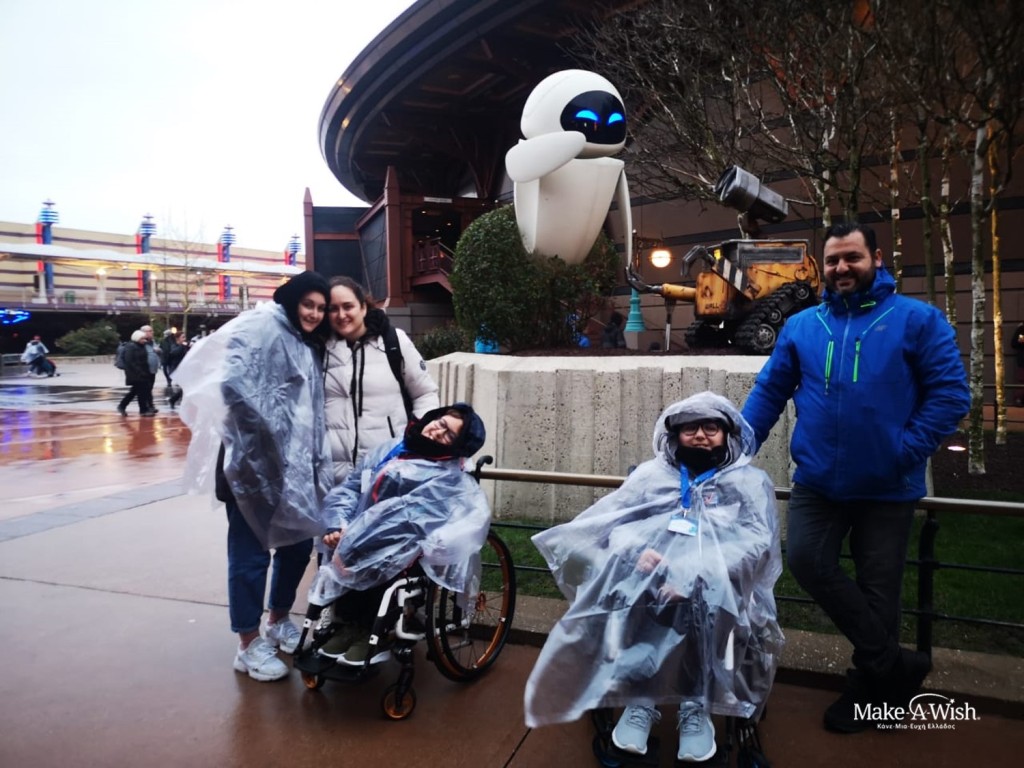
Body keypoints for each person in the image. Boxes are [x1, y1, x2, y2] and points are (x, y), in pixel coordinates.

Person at [740, 220, 970, 734]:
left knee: (878, 590)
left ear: (876, 259)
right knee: (806, 560)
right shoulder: (802, 326)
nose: (842, 267)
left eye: (852, 257)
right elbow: (769, 392)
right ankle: (894, 664)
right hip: (818, 482)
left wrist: (903, 451)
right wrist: (734, 448)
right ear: (822, 267)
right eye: (833, 260)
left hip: (888, 487)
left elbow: (951, 395)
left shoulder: (917, 320)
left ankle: (871, 686)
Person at [524, 392, 782, 764]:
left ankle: (695, 704)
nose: (700, 435)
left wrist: (698, 575)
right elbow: (616, 524)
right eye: (690, 428)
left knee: (709, 604)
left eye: (711, 427)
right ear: (674, 434)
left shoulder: (748, 482)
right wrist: (637, 552)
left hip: (721, 584)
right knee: (630, 594)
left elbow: (758, 542)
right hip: (652, 579)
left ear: (728, 434)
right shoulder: (650, 476)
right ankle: (641, 699)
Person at [173, 271, 334, 682]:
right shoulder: (261, 327)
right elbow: (233, 387)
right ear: (292, 301)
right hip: (251, 468)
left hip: (295, 467)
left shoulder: (303, 340)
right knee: (250, 556)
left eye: (321, 308)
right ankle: (247, 643)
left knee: (298, 546)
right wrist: (268, 437)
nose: (315, 314)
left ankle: (278, 620)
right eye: (308, 304)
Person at [310, 403, 489, 666]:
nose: (438, 431)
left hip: (405, 542)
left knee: (376, 555)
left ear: (458, 445)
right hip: (358, 533)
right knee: (347, 549)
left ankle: (372, 632)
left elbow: (431, 517)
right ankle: (349, 626)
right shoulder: (391, 449)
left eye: (449, 434)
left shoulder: (451, 476)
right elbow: (351, 488)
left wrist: (368, 535)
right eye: (440, 423)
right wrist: (337, 524)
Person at [323, 276, 439, 486]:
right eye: (333, 309)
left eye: (348, 306)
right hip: (333, 477)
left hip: (387, 469)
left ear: (363, 307)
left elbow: (425, 394)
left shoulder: (394, 341)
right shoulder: (320, 349)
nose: (341, 315)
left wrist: (416, 439)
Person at [117, 330, 156, 416]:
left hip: (143, 372)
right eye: (142, 339)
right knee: (140, 391)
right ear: (137, 338)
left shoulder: (141, 346)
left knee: (136, 391)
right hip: (135, 373)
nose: (144, 340)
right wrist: (140, 371)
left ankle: (122, 406)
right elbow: (130, 362)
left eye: (144, 339)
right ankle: (143, 410)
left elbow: (144, 360)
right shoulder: (131, 347)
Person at [1012, 321, 1024, 407]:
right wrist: (1020, 341)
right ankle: (1018, 400)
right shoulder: (1021, 329)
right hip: (1022, 361)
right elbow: (1014, 343)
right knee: (1021, 380)